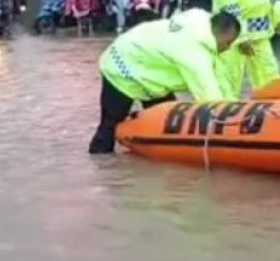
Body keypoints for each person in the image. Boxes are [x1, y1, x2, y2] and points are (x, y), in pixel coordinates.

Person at [88, 9, 241, 154]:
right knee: (109, 126)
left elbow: (218, 74)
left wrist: (234, 103)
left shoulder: (200, 21)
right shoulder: (193, 53)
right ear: (219, 33)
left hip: (148, 68)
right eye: (228, 43)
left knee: (166, 125)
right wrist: (232, 123)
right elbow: (209, 97)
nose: (228, 48)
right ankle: (101, 164)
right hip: (121, 66)